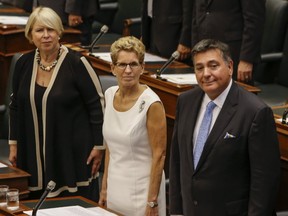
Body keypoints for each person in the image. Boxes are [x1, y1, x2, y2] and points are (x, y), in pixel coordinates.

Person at [169, 39, 280, 215]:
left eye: (213, 66)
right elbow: (177, 162)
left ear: (230, 67)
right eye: (199, 67)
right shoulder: (185, 101)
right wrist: (175, 211)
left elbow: (264, 184)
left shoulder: (255, 112)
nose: (206, 73)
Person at [8, 7, 105, 201]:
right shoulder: (23, 63)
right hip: (32, 152)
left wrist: (99, 146)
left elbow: (97, 105)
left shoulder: (77, 64)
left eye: (51, 30)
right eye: (39, 30)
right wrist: (14, 145)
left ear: (59, 32)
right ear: (30, 34)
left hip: (72, 153)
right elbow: (15, 106)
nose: (46, 36)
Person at [99, 36, 167, 216]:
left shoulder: (152, 103)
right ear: (112, 68)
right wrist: (105, 187)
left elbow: (159, 155)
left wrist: (152, 201)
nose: (128, 70)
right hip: (115, 189)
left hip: (143, 193)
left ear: (142, 68)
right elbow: (110, 148)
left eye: (134, 64)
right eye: (122, 65)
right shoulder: (109, 94)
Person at [190, 0, 265, 84]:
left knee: (236, 95)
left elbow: (254, 22)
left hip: (235, 53)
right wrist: (195, 53)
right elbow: (196, 16)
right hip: (204, 50)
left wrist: (247, 59)